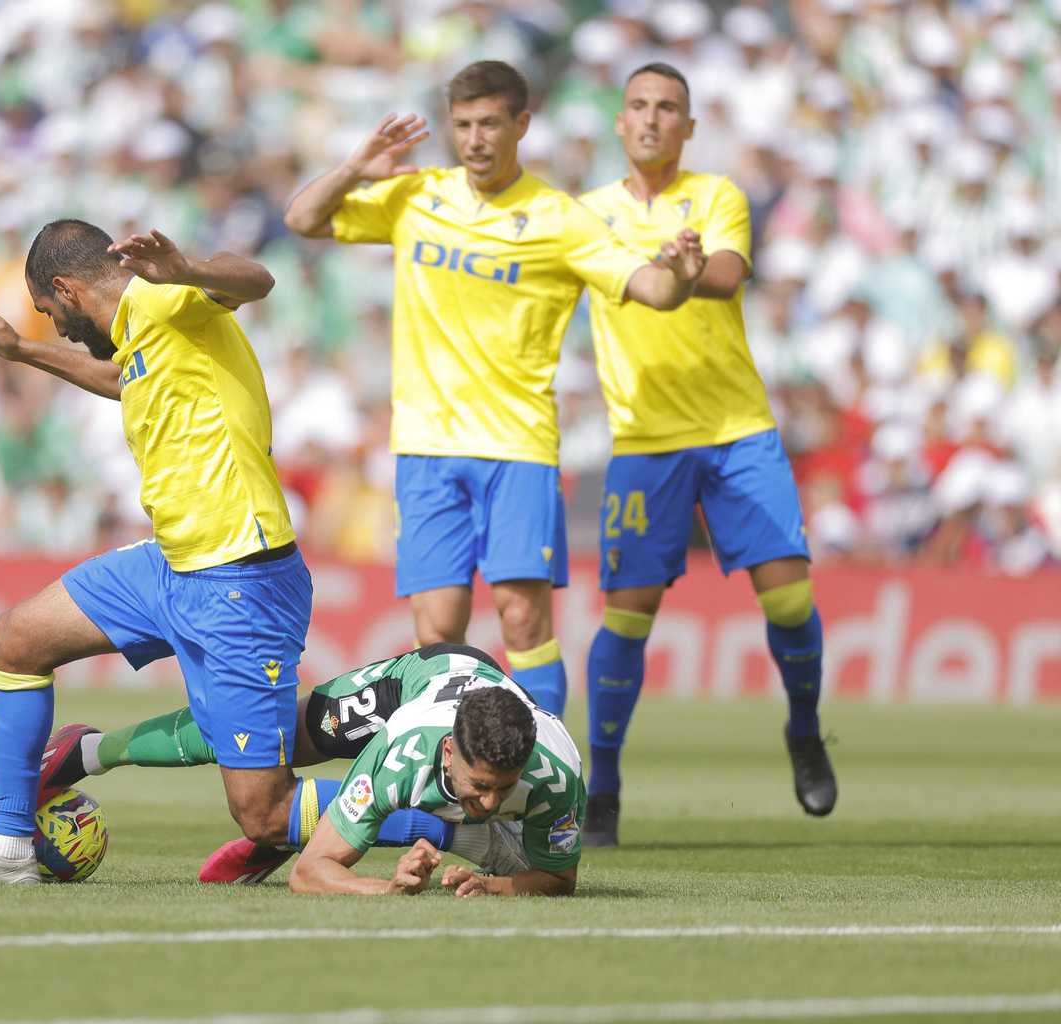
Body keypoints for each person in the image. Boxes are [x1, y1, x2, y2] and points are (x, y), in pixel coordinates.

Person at [282, 61, 704, 719]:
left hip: (516, 447)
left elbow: (651, 288)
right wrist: (353, 166)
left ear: (522, 125)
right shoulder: (417, 196)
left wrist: (678, 275)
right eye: (462, 125)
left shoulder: (559, 219)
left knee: (521, 619)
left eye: (488, 124)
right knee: (437, 630)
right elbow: (303, 218)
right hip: (425, 445)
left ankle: (551, 775)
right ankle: (447, 781)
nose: (474, 139)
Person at [0, 222, 313, 884]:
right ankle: (8, 847)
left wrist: (188, 269)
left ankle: (460, 818)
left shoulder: (164, 296)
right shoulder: (145, 335)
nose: (56, 326)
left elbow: (257, 278)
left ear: (66, 287)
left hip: (239, 573)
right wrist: (24, 351)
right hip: (172, 563)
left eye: (49, 312)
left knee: (263, 815)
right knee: (15, 639)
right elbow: (125, 378)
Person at [575, 64, 837, 846]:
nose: (653, 119)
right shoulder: (586, 215)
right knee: (629, 616)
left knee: (789, 597)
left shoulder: (717, 196)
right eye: (641, 106)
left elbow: (724, 274)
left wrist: (690, 272)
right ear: (620, 122)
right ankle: (605, 788)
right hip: (645, 440)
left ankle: (803, 728)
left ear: (688, 127)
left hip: (736, 428)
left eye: (670, 109)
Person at [40, 644, 547, 883]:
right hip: (414, 684)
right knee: (265, 740)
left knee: (267, 810)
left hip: (457, 706)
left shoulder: (546, 765)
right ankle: (89, 749)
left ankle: (288, 828)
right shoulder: (406, 742)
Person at [291, 683, 582, 897]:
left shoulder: (557, 779)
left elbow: (560, 879)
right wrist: (388, 888)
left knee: (527, 865)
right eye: (479, 785)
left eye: (506, 787)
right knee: (269, 794)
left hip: (487, 688)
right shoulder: (397, 757)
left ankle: (468, 832)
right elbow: (305, 874)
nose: (491, 803)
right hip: (410, 682)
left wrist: (489, 886)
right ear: (448, 753)